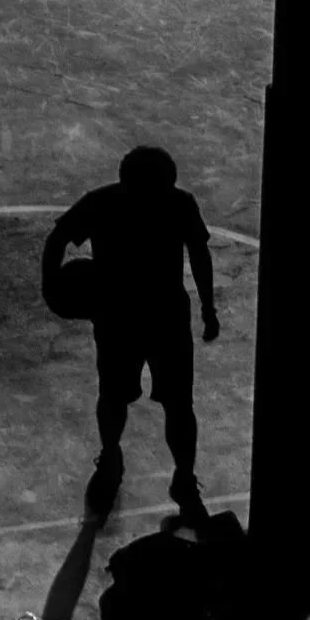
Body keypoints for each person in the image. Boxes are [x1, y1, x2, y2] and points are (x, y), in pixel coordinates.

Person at [43, 145, 218, 513]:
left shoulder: (102, 202)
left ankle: (112, 457)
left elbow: (57, 239)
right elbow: (200, 256)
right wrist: (208, 308)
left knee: (116, 396)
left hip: (119, 316)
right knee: (176, 404)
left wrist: (50, 286)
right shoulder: (178, 203)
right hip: (164, 318)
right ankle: (182, 477)